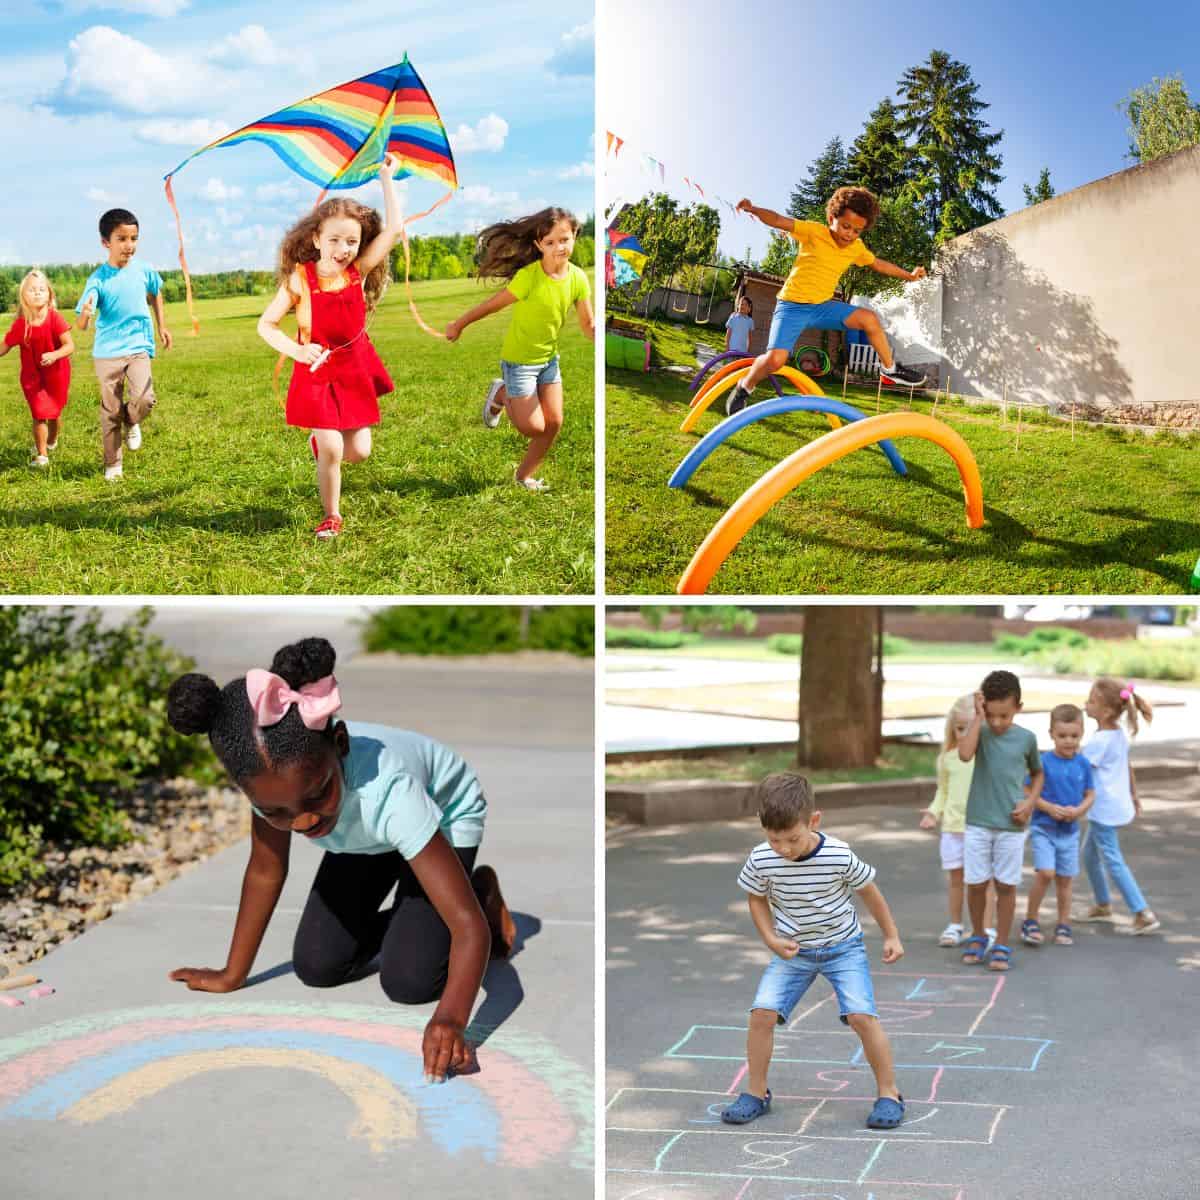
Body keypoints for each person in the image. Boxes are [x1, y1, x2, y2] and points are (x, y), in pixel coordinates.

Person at [165, 636, 517, 1083]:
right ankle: (420, 915)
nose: (301, 820)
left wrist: (451, 1018)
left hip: (440, 818)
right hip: (364, 835)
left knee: (410, 982)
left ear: (340, 743)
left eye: (315, 795)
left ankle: (479, 892)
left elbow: (466, 928)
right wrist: (233, 973)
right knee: (317, 966)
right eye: (278, 811)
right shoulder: (275, 786)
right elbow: (265, 870)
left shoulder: (390, 792)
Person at [720, 773, 905, 1130]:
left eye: (792, 838)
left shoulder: (838, 854)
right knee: (761, 1013)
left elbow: (870, 892)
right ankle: (756, 1093)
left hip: (843, 947)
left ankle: (889, 1093)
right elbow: (756, 898)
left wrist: (891, 935)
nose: (785, 849)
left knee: (861, 1017)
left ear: (813, 821)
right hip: (794, 950)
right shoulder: (762, 858)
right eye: (775, 839)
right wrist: (771, 938)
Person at [257, 154, 403, 540]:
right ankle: (331, 516)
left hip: (355, 369)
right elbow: (266, 324)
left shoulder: (359, 272)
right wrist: (296, 350)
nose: (343, 248)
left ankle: (318, 447)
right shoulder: (299, 278)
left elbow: (394, 231)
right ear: (316, 239)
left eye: (352, 240)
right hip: (317, 372)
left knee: (359, 452)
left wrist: (387, 178)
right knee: (334, 449)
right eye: (335, 239)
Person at [725, 188, 927, 415]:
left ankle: (889, 369)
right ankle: (745, 386)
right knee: (776, 360)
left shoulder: (855, 248)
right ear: (832, 219)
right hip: (792, 307)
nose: (849, 234)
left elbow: (879, 264)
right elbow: (779, 220)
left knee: (869, 319)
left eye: (857, 231)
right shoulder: (813, 231)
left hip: (822, 307)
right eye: (845, 226)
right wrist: (753, 209)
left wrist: (909, 276)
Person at [446, 207, 594, 492]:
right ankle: (500, 392)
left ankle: (523, 476)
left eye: (564, 239)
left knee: (554, 423)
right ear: (538, 245)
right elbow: (491, 306)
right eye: (550, 242)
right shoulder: (529, 277)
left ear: (575, 235)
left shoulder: (578, 278)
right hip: (520, 363)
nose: (558, 247)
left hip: (549, 361)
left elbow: (588, 324)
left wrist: (598, 333)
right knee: (532, 427)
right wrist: (459, 323)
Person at [74, 208, 172, 480]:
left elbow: (156, 294)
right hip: (107, 353)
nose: (129, 245)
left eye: (134, 238)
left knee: (144, 398)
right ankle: (113, 464)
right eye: (122, 239)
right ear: (106, 242)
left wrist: (162, 325)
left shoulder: (144, 270)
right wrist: (85, 314)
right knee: (110, 410)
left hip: (139, 346)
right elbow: (82, 325)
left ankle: (132, 420)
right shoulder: (97, 279)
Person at [956, 670, 1042, 972]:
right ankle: (978, 935)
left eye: (1004, 715)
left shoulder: (1026, 739)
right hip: (978, 820)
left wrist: (1030, 803)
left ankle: (1002, 942)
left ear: (1018, 706)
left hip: (1011, 825)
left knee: (1006, 886)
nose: (997, 722)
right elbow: (965, 755)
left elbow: (1038, 774)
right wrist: (978, 718)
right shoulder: (981, 731)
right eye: (992, 715)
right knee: (976, 884)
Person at [1081, 678, 1160, 934]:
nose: (1086, 703)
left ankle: (1142, 912)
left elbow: (1078, 773)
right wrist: (1134, 795)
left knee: (1113, 860)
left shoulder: (1100, 741)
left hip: (1103, 808)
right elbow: (1126, 767)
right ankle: (1103, 905)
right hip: (1111, 805)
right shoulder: (1116, 734)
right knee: (1090, 855)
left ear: (1105, 711)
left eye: (1091, 701)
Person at [919, 694, 997, 949]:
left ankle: (986, 928)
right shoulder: (948, 758)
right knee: (956, 880)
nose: (964, 733)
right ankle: (955, 925)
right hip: (953, 829)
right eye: (959, 728)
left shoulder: (987, 757)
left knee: (983, 882)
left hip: (980, 829)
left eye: (970, 727)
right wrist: (933, 813)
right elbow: (943, 791)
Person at [1020, 704, 1094, 948]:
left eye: (1074, 736)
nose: (1068, 741)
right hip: (1044, 829)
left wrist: (1079, 811)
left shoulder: (1083, 764)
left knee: (1065, 880)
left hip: (1070, 833)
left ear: (1082, 733)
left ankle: (1064, 923)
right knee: (1046, 873)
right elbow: (1028, 789)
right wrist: (1048, 807)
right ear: (1051, 733)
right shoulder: (1043, 762)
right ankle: (1030, 919)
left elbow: (1090, 794)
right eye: (1062, 736)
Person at [0, 270, 73, 467]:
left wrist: (54, 355)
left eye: (42, 289)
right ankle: (42, 456)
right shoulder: (21, 325)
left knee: (54, 414)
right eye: (32, 290)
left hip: (57, 375)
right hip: (32, 378)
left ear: (49, 294)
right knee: (39, 413)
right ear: (24, 296)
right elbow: (4, 346)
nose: (38, 292)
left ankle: (51, 441)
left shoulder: (55, 319)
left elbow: (69, 345)